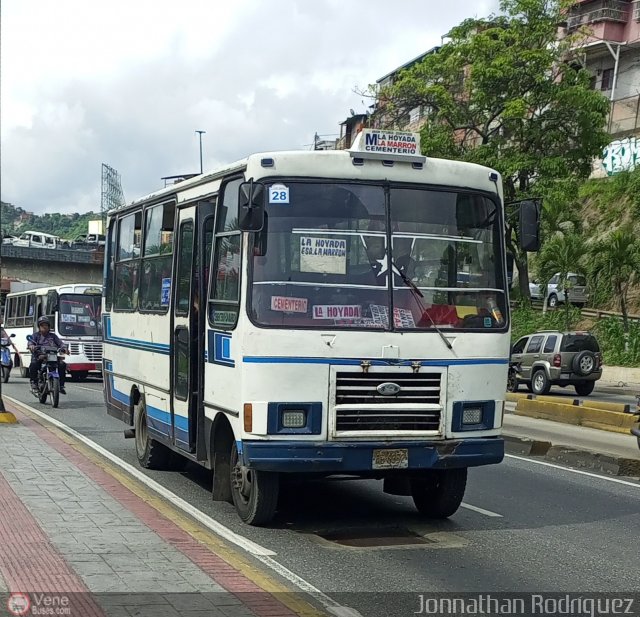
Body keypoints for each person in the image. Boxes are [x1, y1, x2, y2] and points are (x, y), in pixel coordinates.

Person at [28, 316, 69, 394]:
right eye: (42, 325)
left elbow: (61, 343)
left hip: (52, 356)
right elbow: (31, 342)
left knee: (62, 365)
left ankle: (61, 385)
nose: (44, 327)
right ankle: (34, 383)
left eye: (46, 325)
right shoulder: (35, 335)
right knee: (33, 364)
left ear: (49, 326)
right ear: (39, 327)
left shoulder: (53, 336)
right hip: (39, 356)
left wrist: (64, 348)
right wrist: (31, 346)